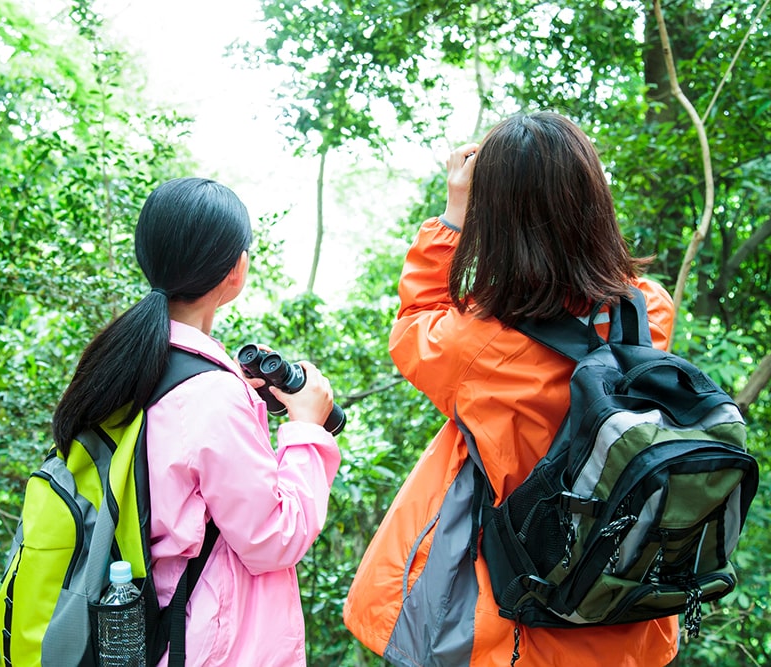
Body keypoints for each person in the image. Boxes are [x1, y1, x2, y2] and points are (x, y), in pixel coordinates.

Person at [343, 112, 680, 666]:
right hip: (622, 611)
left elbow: (413, 325)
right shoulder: (645, 313)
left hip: (518, 626)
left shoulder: (473, 343)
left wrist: (452, 216)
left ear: (492, 218)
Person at [52, 177, 341, 666]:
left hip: (148, 627)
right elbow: (273, 539)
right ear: (236, 268)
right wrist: (308, 430)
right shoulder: (209, 393)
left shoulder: (124, 364)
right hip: (209, 644)